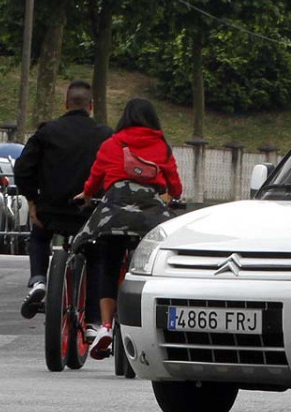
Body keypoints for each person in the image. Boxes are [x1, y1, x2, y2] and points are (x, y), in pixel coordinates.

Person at [73, 98, 183, 359]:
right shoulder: (160, 145)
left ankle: (106, 327)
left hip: (114, 211)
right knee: (148, 262)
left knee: (109, 264)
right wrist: (173, 195)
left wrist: (86, 195)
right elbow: (175, 186)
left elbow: (95, 179)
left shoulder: (112, 143)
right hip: (149, 214)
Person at [14, 80, 113, 319]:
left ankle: (38, 280)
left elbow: (23, 168)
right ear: (91, 106)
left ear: (65, 104)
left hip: (51, 211)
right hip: (89, 213)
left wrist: (32, 200)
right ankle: (92, 320)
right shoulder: (105, 135)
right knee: (96, 256)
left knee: (38, 238)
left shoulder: (47, 131)